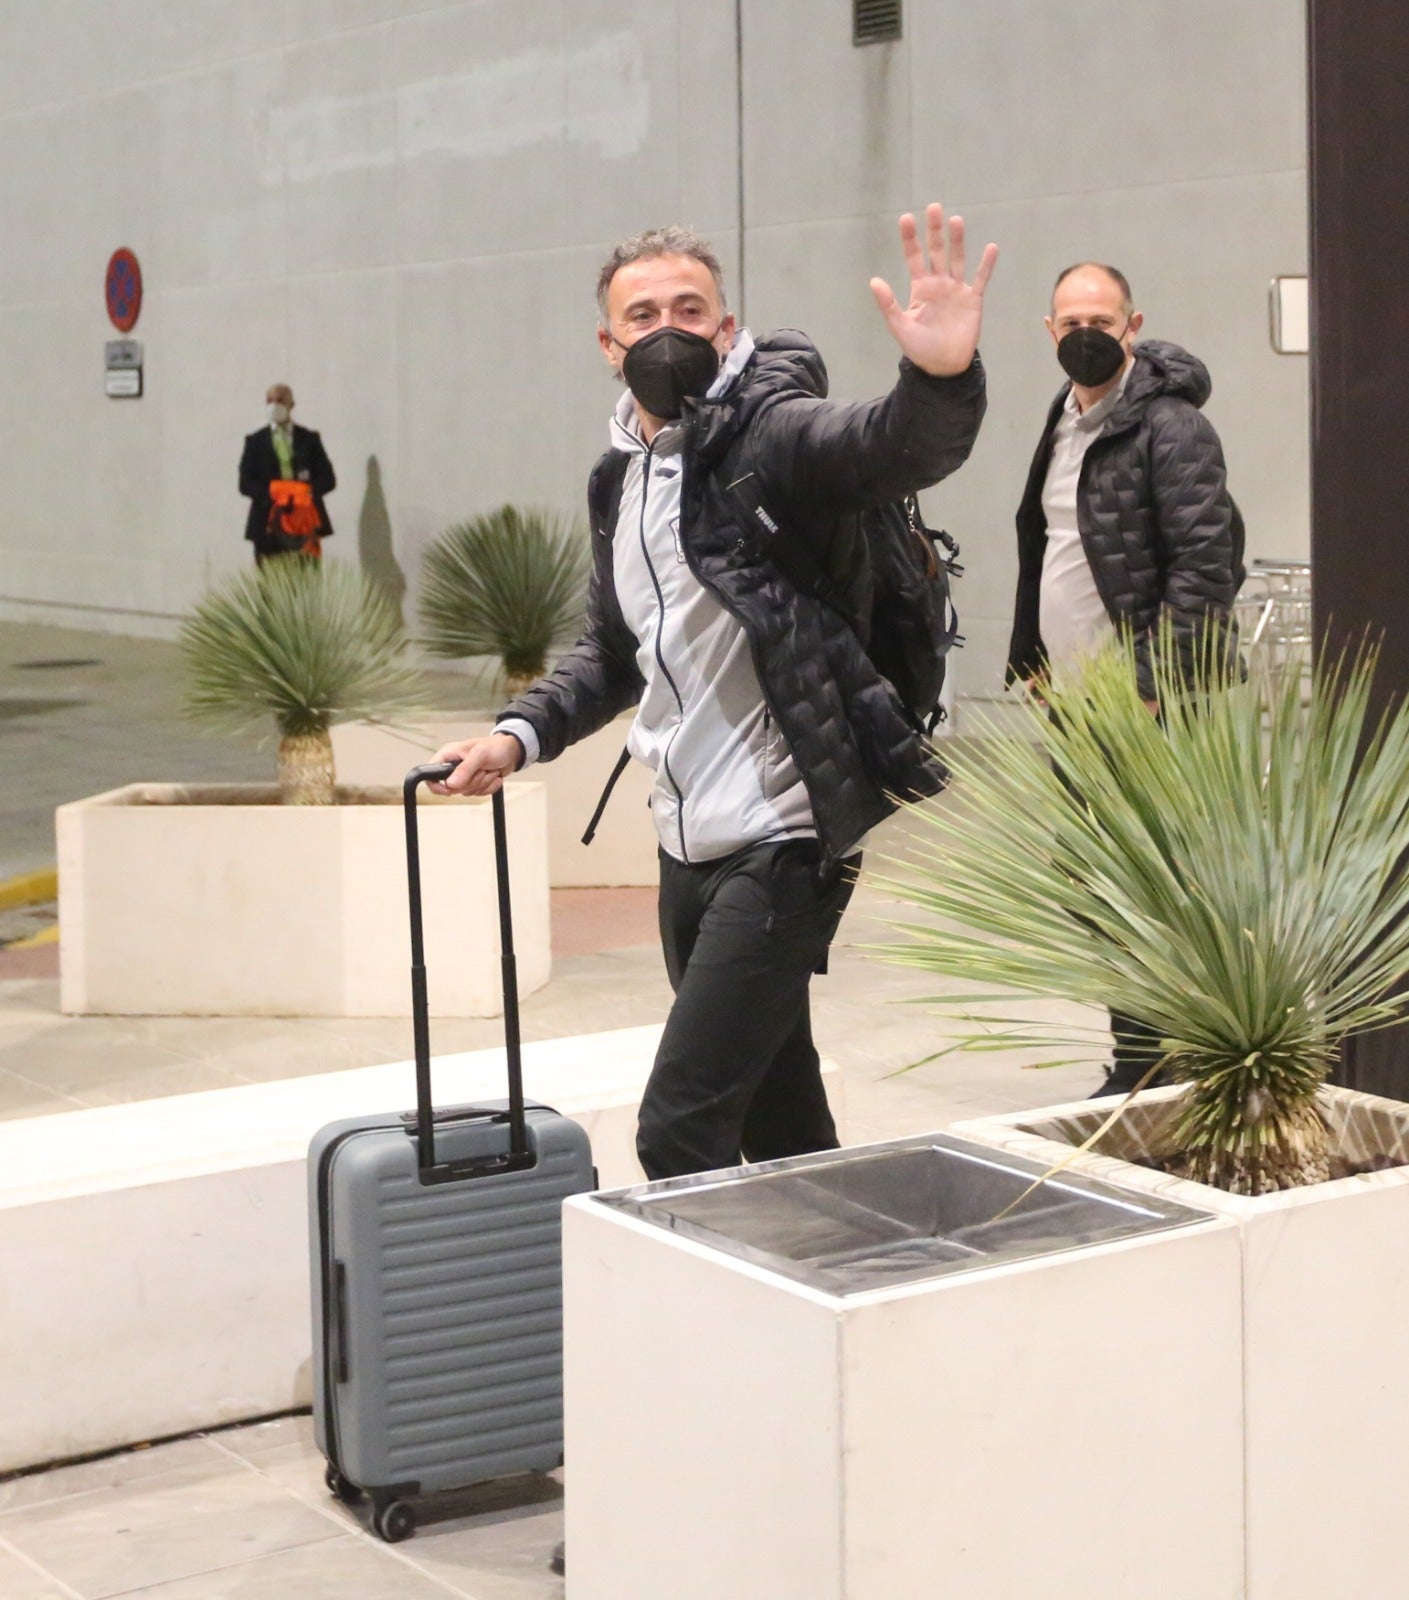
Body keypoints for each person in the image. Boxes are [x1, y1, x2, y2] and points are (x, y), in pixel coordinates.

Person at [434, 204, 997, 1181]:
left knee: (678, 1131)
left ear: (725, 331)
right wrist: (518, 732)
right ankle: (835, 1292)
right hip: (683, 841)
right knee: (776, 1113)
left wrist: (939, 376)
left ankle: (698, 1327)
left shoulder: (772, 439)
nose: (665, 330)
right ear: (607, 345)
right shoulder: (618, 485)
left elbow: (888, 444)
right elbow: (612, 649)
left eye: (687, 309)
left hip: (783, 837)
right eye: (641, 313)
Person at [1006, 262, 1243, 1095]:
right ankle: (1139, 1054)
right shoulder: (1062, 419)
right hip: (1077, 706)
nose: (1084, 334)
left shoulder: (1171, 427)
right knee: (1097, 888)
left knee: (1159, 886)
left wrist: (1155, 685)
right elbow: (1047, 546)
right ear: (1047, 330)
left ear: (1132, 326)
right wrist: (1029, 663)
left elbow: (1205, 566)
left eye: (1100, 320)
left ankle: (1168, 1061)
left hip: (1147, 708)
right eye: (1069, 320)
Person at [239, 384, 336, 563]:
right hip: (267, 524)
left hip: (304, 524)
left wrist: (305, 493)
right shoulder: (255, 442)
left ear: (292, 404)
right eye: (270, 401)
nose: (274, 405)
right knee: (268, 583)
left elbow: (328, 479)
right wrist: (275, 493)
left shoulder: (309, 439)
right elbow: (245, 484)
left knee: (305, 580)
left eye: (280, 400)